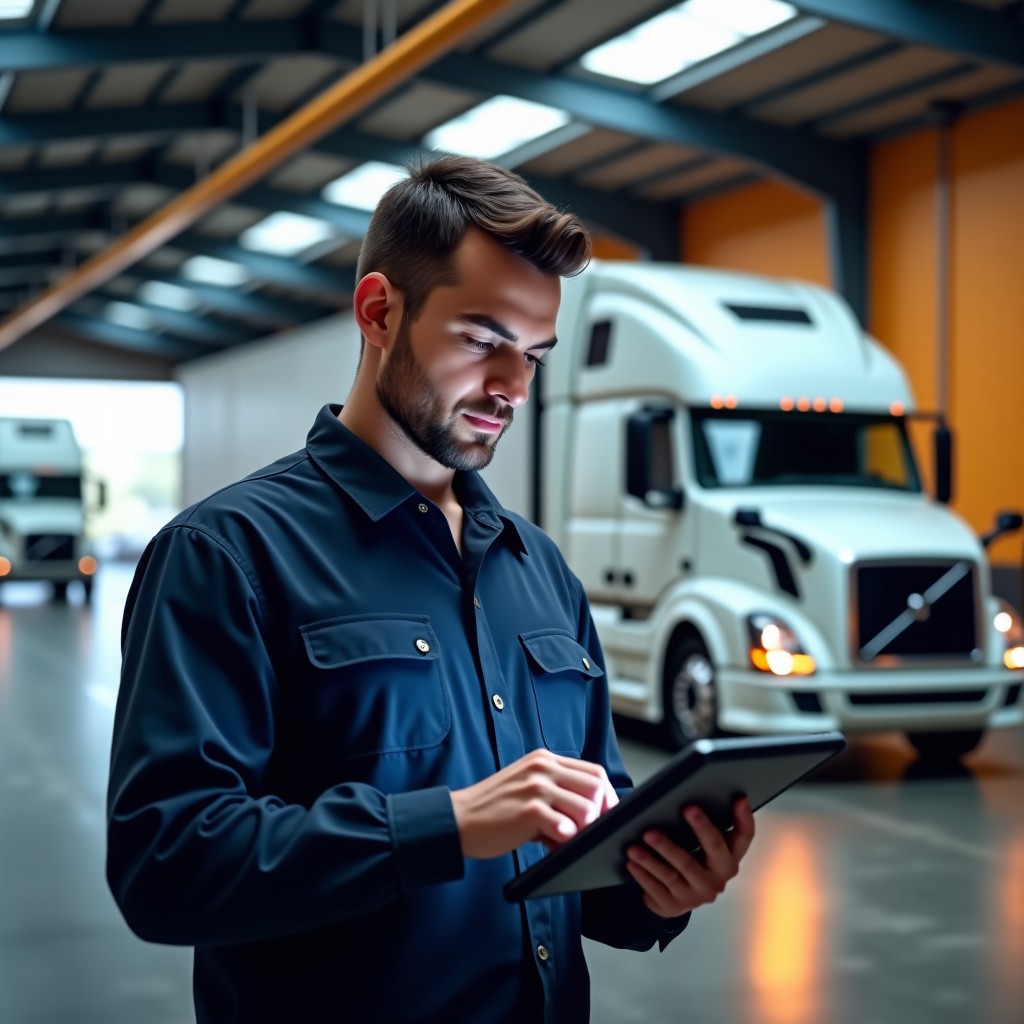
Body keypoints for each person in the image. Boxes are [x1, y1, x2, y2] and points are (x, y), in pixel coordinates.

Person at [106, 154, 755, 1024]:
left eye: (534, 355)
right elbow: (167, 865)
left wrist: (659, 885)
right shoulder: (227, 555)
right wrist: (443, 824)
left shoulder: (540, 571)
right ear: (379, 311)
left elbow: (583, 861)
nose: (513, 388)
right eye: (483, 341)